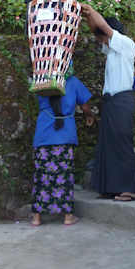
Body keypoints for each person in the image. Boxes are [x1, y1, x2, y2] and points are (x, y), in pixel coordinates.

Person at [81, 3, 135, 202]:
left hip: (122, 101)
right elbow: (97, 29)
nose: (100, 42)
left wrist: (89, 9)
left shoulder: (125, 44)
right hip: (111, 102)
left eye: (102, 38)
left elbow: (103, 28)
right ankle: (110, 187)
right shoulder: (111, 50)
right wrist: (86, 16)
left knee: (122, 143)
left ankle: (130, 188)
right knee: (108, 145)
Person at [30, 67, 91, 226]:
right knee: (64, 176)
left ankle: (36, 218)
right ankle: (68, 217)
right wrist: (90, 116)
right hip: (65, 135)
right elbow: (85, 106)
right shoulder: (73, 82)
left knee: (41, 176)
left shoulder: (42, 81)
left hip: (43, 133)